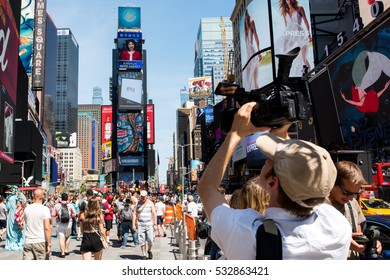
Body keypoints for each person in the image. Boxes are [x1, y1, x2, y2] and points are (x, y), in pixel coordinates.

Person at [198, 102, 351, 259]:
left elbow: (207, 188)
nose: (266, 159)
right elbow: (312, 183)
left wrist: (235, 134)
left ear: (272, 183)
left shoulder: (247, 233)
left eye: (270, 159)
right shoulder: (338, 226)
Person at [326, 160, 383, 259]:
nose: (351, 198)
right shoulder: (317, 206)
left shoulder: (353, 203)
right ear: (333, 182)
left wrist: (370, 243)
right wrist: (343, 242)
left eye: (356, 193)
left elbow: (358, 234)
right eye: (347, 193)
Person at [275, 0, 312, 73]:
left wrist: (309, 34)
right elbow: (286, 26)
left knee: (304, 58)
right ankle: (283, 72)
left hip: (299, 33)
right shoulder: (285, 12)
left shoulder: (299, 8)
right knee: (284, 51)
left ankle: (309, 71)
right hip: (290, 34)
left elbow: (306, 22)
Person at [23, 189, 52, 260]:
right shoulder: (45, 209)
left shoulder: (27, 209)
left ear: (33, 196)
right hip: (40, 241)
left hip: (28, 241)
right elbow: (47, 228)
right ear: (42, 197)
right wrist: (49, 244)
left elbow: (26, 223)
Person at [51, 193, 76, 258]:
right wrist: (70, 216)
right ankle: (66, 250)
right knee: (67, 236)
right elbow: (74, 214)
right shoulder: (70, 205)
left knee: (61, 237)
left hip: (60, 223)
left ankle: (62, 253)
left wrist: (57, 215)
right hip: (68, 223)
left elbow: (53, 214)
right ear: (67, 198)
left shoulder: (57, 205)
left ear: (61, 198)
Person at [134, 190, 157, 260]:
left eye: (144, 196)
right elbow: (134, 213)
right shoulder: (137, 203)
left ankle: (149, 250)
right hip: (140, 224)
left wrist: (155, 224)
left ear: (147, 196)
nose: (143, 198)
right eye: (142, 196)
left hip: (149, 223)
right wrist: (133, 224)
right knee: (141, 241)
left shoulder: (150, 203)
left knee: (150, 240)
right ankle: (144, 254)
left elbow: (154, 213)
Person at [243, 9, 261, 90]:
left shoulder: (248, 24)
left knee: (253, 80)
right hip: (251, 53)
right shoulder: (248, 24)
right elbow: (256, 37)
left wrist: (259, 52)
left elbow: (256, 37)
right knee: (253, 80)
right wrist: (259, 52)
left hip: (251, 53)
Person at [5, 185, 26, 251]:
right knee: (20, 228)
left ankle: (12, 243)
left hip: (13, 215)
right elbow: (24, 202)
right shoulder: (20, 195)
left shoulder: (10, 197)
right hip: (19, 214)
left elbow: (7, 207)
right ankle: (19, 242)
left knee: (12, 229)